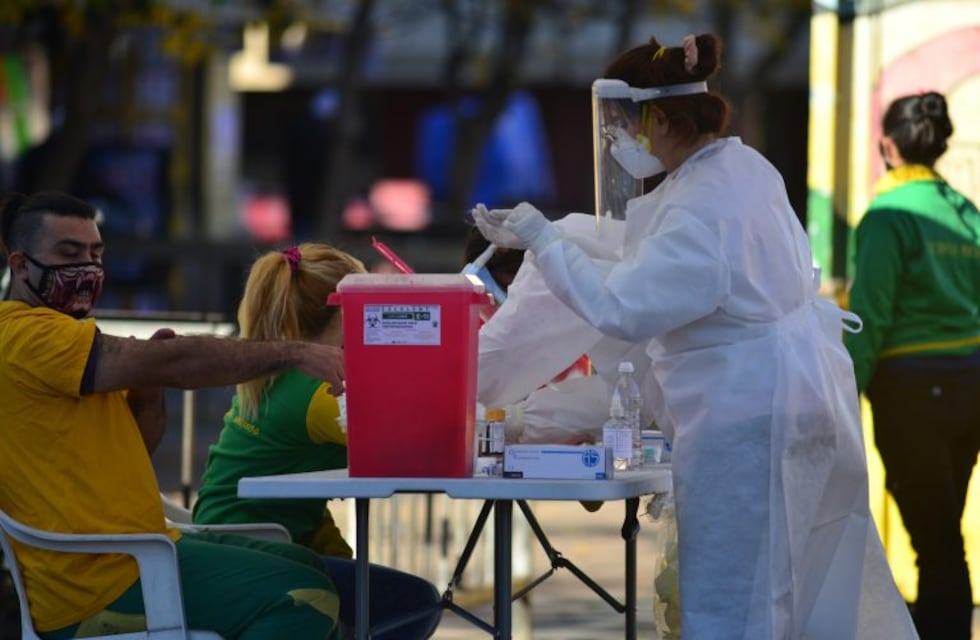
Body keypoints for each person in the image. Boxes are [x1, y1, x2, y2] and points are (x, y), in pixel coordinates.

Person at [474, 33, 917, 639]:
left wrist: (547, 242)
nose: (621, 141)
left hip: (749, 420)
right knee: (810, 598)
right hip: (803, 402)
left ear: (659, 118)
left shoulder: (699, 204)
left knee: (738, 608)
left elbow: (622, 308)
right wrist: (555, 241)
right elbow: (645, 263)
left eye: (626, 125)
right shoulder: (743, 168)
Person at [0, 191, 346, 639]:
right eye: (69, 253)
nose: (86, 266)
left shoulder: (70, 342)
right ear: (20, 266)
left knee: (309, 565)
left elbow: (136, 446)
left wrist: (149, 386)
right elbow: (181, 362)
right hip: (101, 584)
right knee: (307, 596)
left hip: (141, 553)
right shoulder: (25, 336)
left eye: (95, 254)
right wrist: (294, 353)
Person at [192, 242, 442, 639]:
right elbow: (417, 440)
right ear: (347, 311)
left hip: (229, 540)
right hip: (252, 553)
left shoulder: (283, 377)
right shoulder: (319, 391)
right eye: (368, 305)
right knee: (416, 603)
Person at [844, 91, 980, 640]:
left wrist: (842, 394)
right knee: (942, 535)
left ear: (887, 145)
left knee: (937, 544)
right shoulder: (965, 212)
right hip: (969, 389)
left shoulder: (888, 216)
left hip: (912, 397)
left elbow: (869, 317)